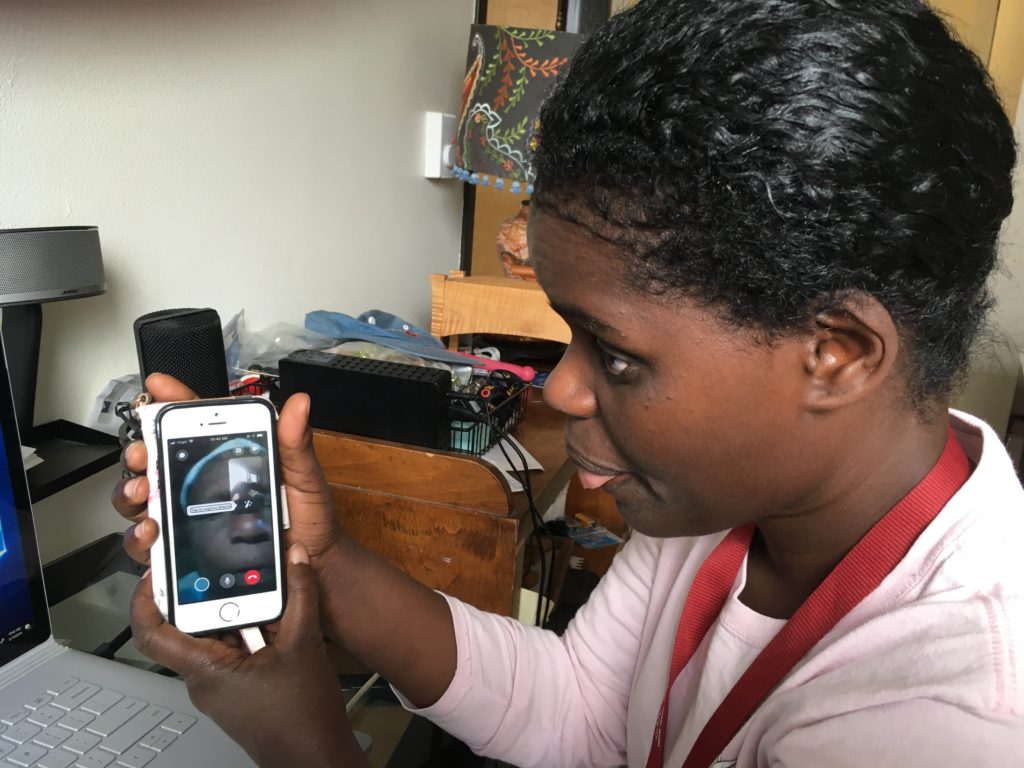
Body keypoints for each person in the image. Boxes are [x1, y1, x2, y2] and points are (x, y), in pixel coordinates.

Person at [112, 0, 1024, 765]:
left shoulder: (945, 720)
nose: (562, 393)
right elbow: (583, 709)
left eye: (615, 354)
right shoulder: (728, 497)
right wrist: (327, 561)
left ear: (839, 354)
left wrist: (304, 737)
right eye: (569, 338)